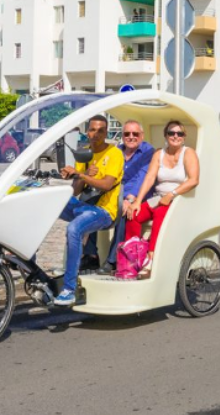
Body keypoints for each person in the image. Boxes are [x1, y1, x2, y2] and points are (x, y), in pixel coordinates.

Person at [54, 115, 124, 306]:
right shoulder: (84, 153)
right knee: (49, 203)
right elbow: (76, 190)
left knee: (73, 229)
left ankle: (69, 289)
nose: (96, 134)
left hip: (104, 212)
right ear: (87, 132)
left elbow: (107, 185)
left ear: (106, 132)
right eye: (93, 130)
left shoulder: (114, 153)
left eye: (101, 130)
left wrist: (82, 175)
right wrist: (78, 175)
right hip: (86, 206)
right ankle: (29, 262)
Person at [126, 120, 200, 278]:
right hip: (159, 198)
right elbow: (150, 177)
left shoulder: (188, 153)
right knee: (133, 215)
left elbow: (193, 180)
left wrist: (171, 194)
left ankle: (152, 258)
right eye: (171, 133)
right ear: (165, 136)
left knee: (160, 213)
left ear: (184, 136)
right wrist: (137, 201)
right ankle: (133, 260)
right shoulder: (159, 154)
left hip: (180, 199)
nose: (175, 136)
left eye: (179, 133)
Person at [83, 120, 156, 275]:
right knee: (89, 204)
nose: (131, 137)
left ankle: (112, 260)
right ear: (122, 136)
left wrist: (129, 199)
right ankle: (91, 255)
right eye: (127, 134)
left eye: (135, 134)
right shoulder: (117, 151)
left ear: (142, 136)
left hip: (137, 196)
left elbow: (142, 178)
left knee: (123, 211)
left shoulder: (148, 152)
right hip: (117, 193)